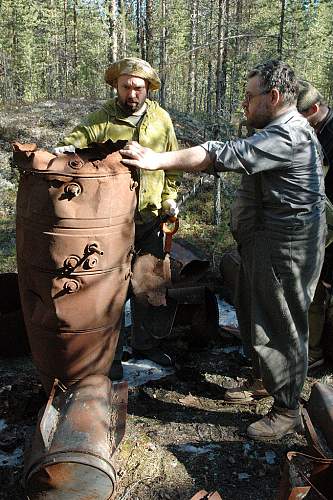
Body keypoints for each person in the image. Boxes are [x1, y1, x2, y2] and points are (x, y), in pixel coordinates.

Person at [121, 59, 326, 441]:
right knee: (255, 314)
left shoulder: (288, 135)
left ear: (275, 97)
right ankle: (267, 380)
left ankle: (287, 410)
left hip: (286, 248)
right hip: (264, 244)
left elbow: (221, 154)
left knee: (280, 323)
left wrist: (156, 160)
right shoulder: (276, 129)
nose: (244, 105)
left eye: (250, 97)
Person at [54, 57, 182, 376]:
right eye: (126, 87)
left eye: (138, 88)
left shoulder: (161, 120)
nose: (132, 94)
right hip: (110, 224)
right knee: (108, 289)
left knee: (149, 282)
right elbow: (73, 143)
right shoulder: (102, 120)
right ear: (116, 87)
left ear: (148, 89)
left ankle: (146, 344)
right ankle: (108, 356)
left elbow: (173, 167)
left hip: (151, 218)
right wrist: (64, 152)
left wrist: (170, 201)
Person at [297, 80, 333, 369]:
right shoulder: (314, 131)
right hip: (317, 222)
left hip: (329, 224)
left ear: (316, 109)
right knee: (315, 289)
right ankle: (314, 351)